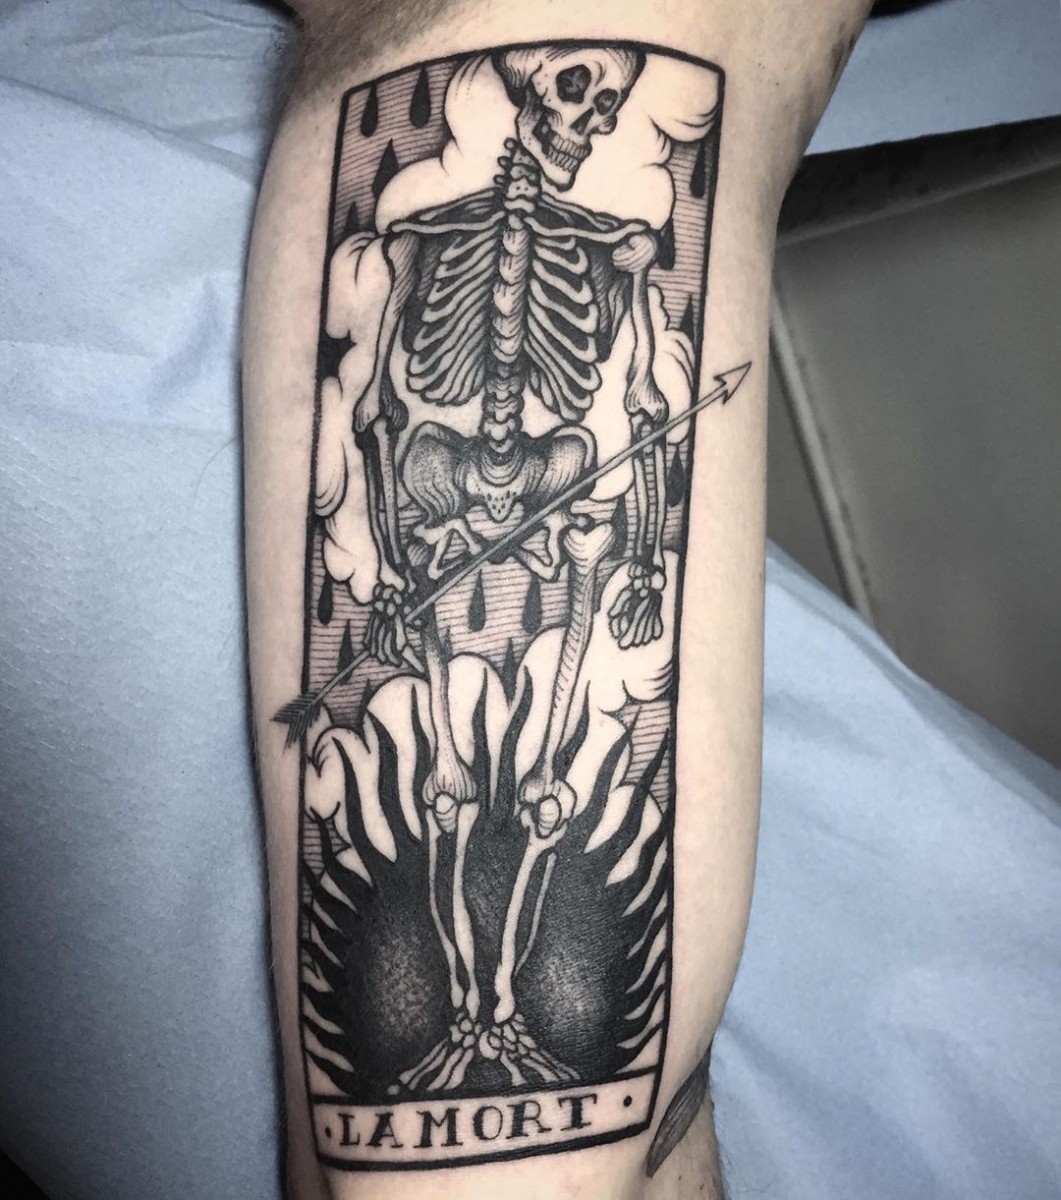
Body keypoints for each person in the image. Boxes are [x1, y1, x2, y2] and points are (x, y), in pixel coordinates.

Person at [242, 2, 872, 1197]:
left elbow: (636, 417)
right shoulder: (437, 230)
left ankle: (494, 1012)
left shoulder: (606, 239)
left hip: (548, 495)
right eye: (572, 98)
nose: (586, 116)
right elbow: (380, 418)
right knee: (447, 783)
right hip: (444, 493)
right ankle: (477, 1016)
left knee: (531, 780)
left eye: (599, 102)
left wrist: (636, 561)